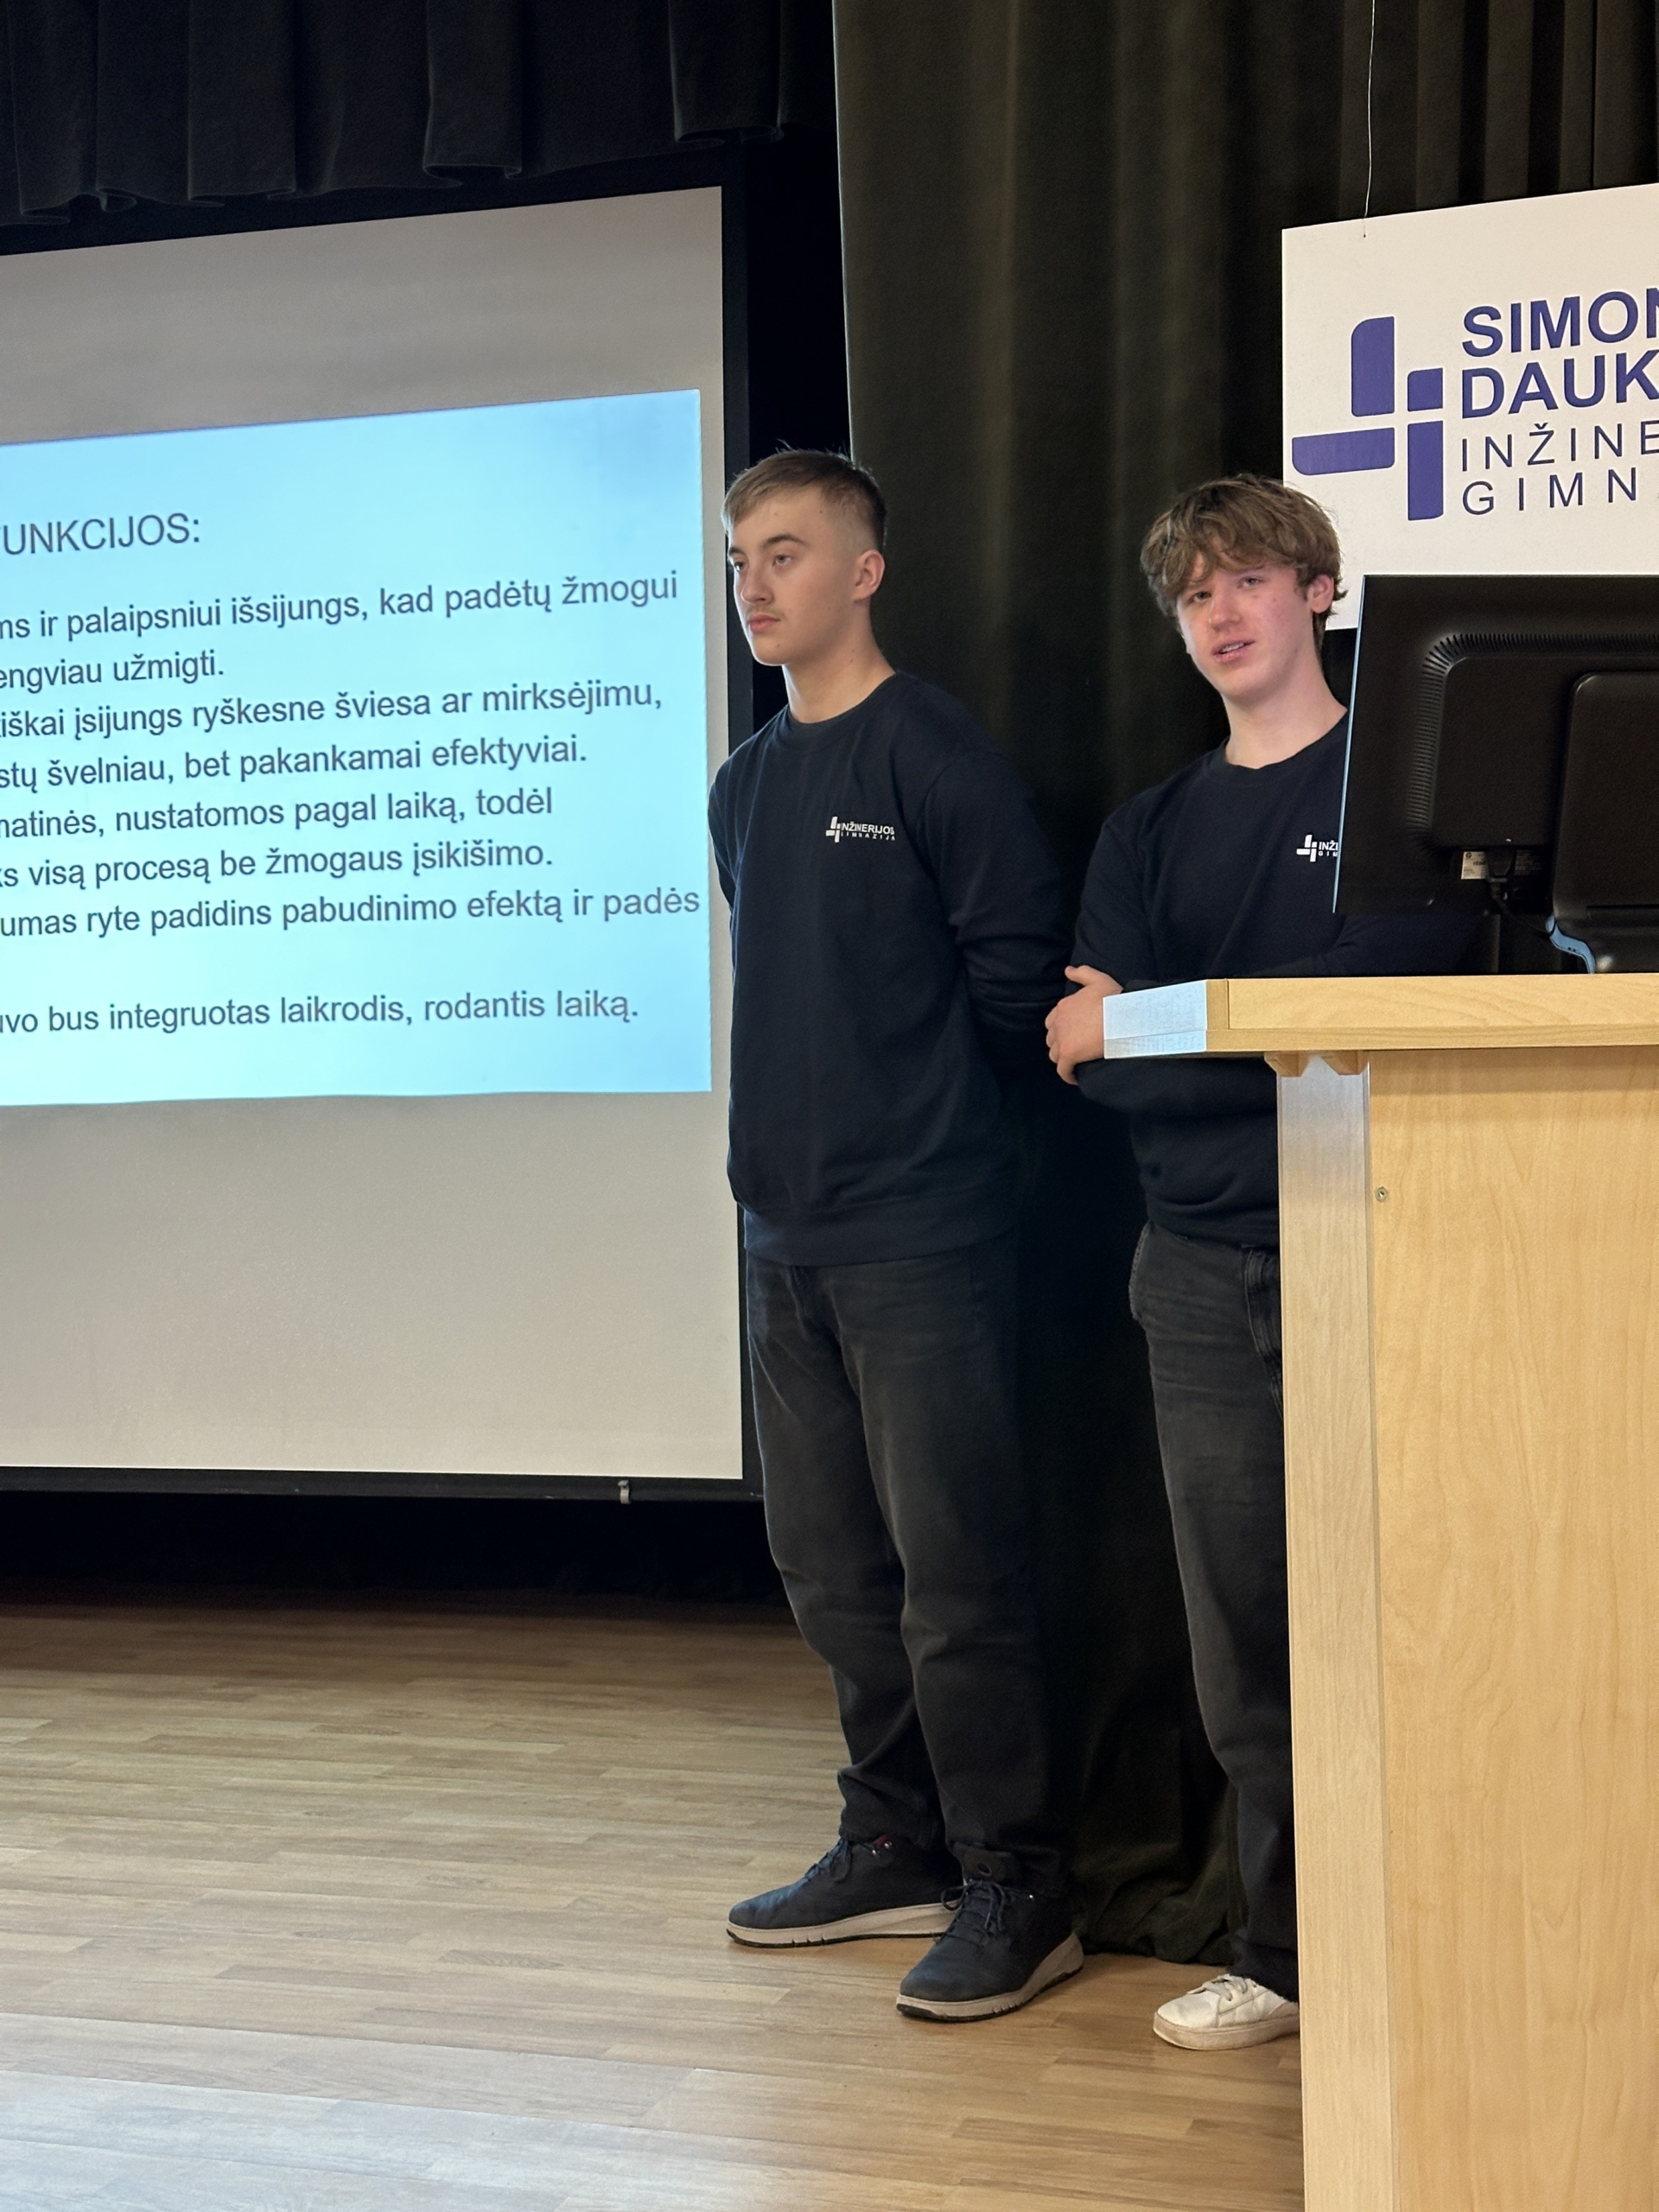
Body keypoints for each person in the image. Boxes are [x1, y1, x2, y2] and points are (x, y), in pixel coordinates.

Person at [1045, 475, 1477, 2052]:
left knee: (1418, 1608)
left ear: (1319, 591)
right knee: (1245, 1642)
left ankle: (1447, 1938)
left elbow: (1395, 991)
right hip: (1196, 1268)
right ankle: (1289, 1954)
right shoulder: (1149, 827)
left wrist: (1178, 1023)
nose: (1220, 614)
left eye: (1247, 581)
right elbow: (1086, 1052)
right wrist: (1249, 1026)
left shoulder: (1408, 792)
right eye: (1194, 595)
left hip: (1377, 1239)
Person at [709, 448, 1079, 2022]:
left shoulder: (934, 750)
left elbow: (1015, 980)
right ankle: (893, 1842)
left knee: (957, 1579)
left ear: (863, 570)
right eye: (740, 558)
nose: (755, 584)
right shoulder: (744, 782)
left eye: (785, 553)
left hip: (923, 1235)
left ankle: (1017, 1880)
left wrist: (927, 1135)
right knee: (830, 1571)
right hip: (781, 1238)